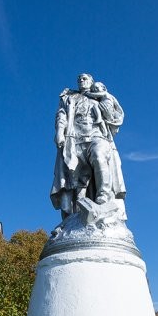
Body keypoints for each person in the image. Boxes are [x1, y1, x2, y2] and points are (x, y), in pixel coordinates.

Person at [51, 74, 126, 219]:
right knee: (75, 176)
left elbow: (113, 117)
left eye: (85, 78)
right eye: (79, 79)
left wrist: (104, 97)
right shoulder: (69, 98)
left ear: (91, 82)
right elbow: (61, 116)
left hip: (97, 136)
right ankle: (78, 212)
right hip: (74, 139)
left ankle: (103, 195)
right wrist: (60, 132)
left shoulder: (100, 97)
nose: (81, 80)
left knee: (99, 156)